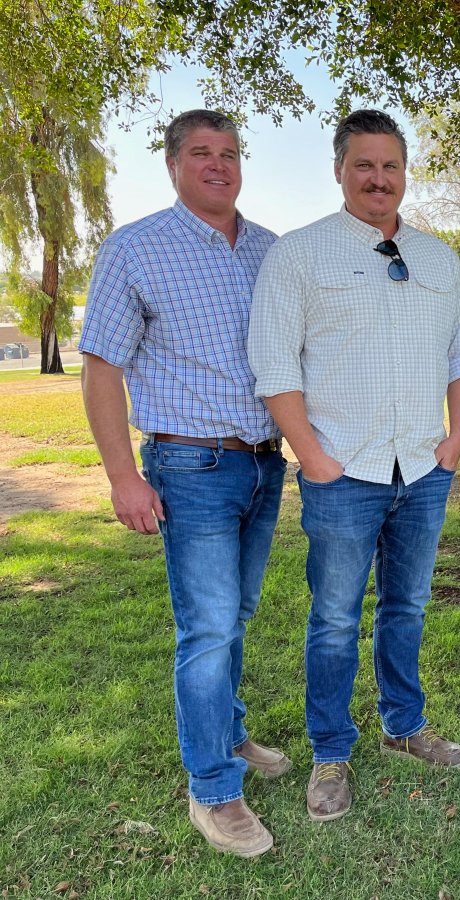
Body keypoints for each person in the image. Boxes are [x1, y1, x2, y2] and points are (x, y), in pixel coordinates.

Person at [247, 109, 460, 821]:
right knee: (336, 619)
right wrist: (311, 457)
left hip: (423, 468)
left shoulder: (438, 258)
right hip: (342, 472)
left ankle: (404, 727)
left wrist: (456, 438)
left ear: (406, 172)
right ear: (340, 170)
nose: (380, 179)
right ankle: (331, 751)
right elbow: (275, 363)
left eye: (391, 166)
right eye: (365, 165)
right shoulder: (299, 254)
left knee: (406, 608)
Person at [79, 110, 288, 858]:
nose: (219, 165)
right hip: (190, 465)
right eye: (202, 153)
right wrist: (122, 476)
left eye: (230, 153)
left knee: (237, 613)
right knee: (206, 627)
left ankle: (228, 735)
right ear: (173, 165)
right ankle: (214, 792)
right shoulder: (136, 248)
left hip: (266, 461)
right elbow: (102, 365)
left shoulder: (270, 250)